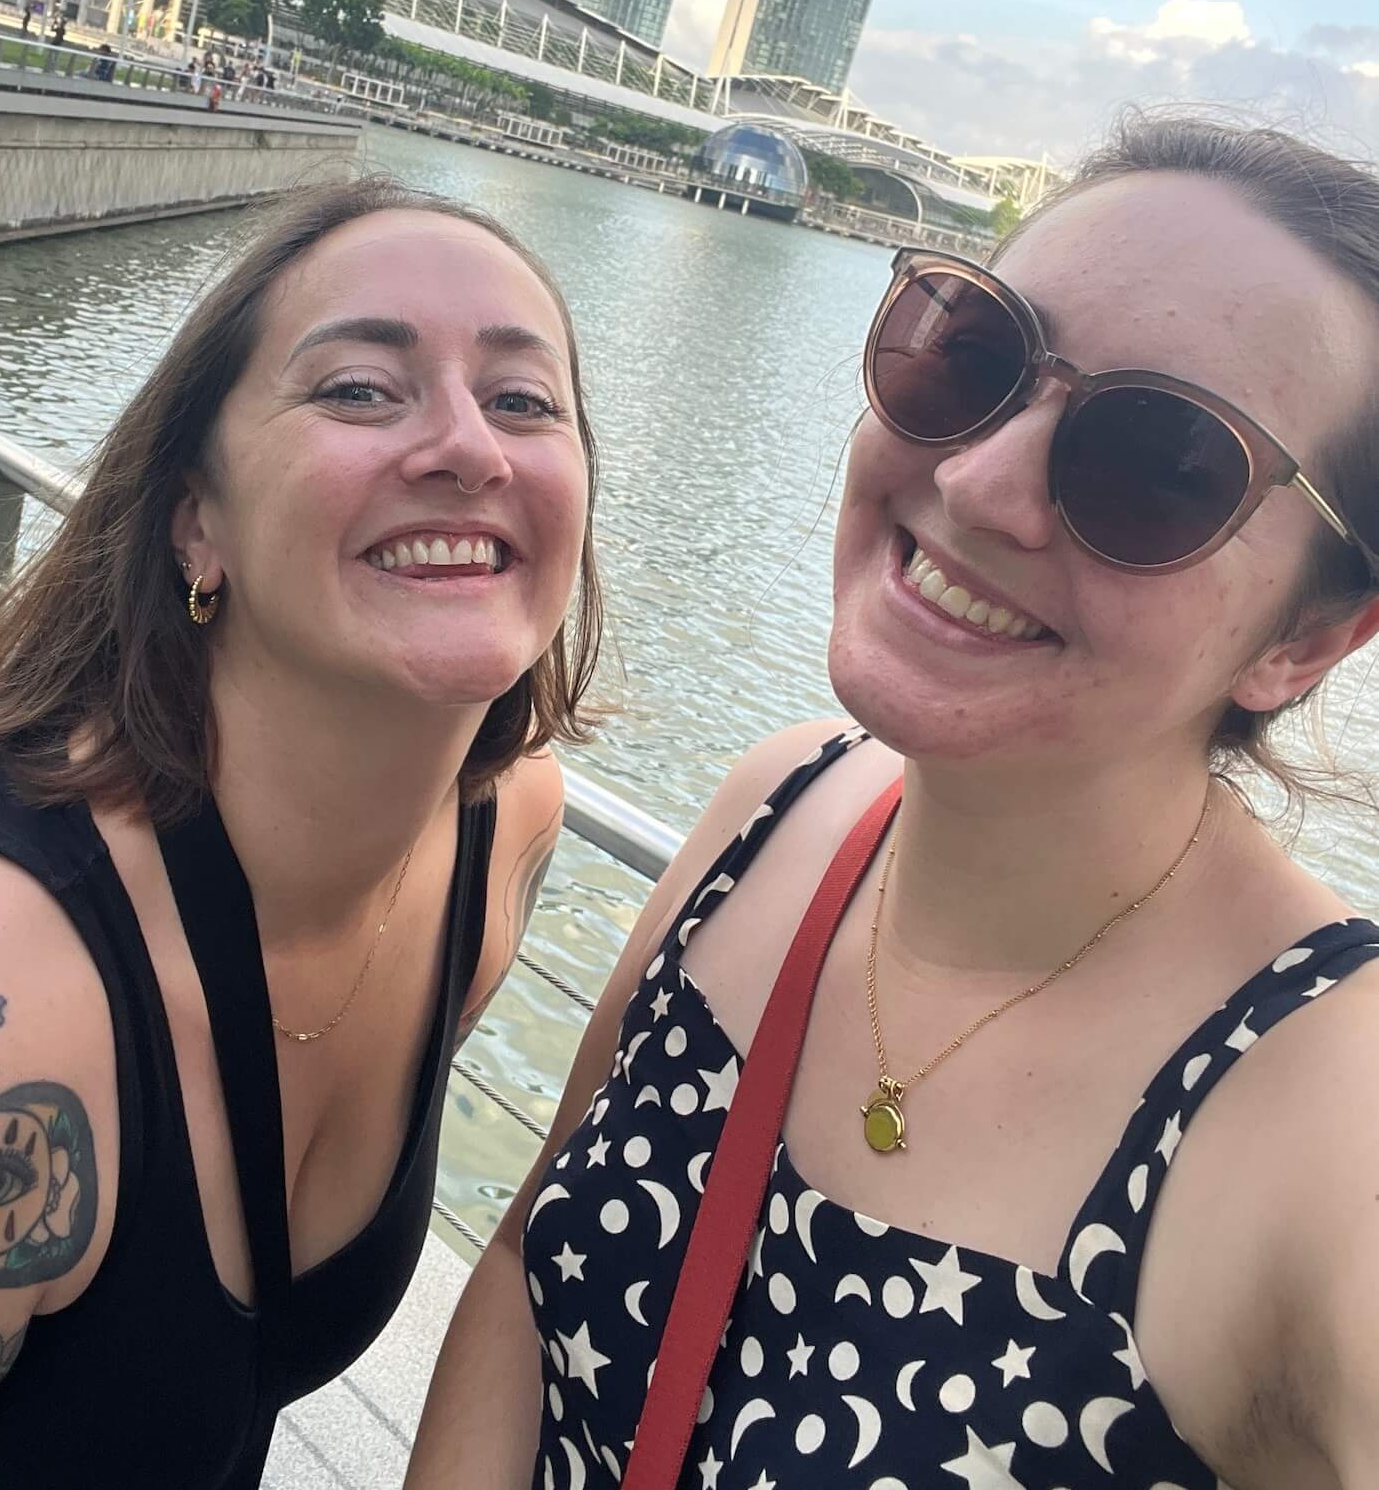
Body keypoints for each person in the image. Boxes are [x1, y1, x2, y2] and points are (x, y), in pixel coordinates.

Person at [409, 116, 1379, 1490]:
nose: (981, 483)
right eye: (971, 358)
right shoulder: (783, 808)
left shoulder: (1324, 1119)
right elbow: (527, 1265)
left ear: (1309, 639)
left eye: (1158, 466)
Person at [0, 173, 603, 1485]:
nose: (469, 448)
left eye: (524, 399)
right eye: (359, 390)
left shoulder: (496, 832)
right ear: (194, 523)